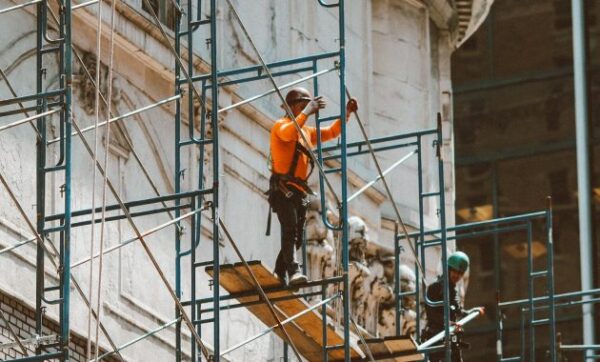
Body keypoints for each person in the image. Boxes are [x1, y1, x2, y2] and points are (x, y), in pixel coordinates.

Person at [267, 87, 358, 286]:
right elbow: (288, 134)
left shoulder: (306, 131)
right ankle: (293, 271)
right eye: (302, 104)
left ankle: (279, 272)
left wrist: (347, 113)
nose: (305, 108)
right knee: (289, 229)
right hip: (283, 189)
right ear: (293, 106)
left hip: (298, 191)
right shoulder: (281, 125)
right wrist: (307, 111)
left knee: (298, 237)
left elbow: (332, 132)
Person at [422, 251, 484, 362]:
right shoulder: (434, 288)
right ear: (448, 269)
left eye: (460, 273)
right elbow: (431, 313)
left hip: (451, 338)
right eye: (454, 271)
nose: (457, 275)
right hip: (436, 338)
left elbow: (456, 311)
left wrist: (471, 312)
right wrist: (448, 323)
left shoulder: (452, 290)